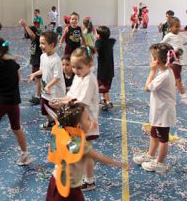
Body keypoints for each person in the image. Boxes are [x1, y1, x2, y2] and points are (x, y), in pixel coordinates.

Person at [45, 102, 123, 201]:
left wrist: (89, 127)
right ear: (79, 126)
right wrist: (120, 164)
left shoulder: (62, 130)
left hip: (56, 180)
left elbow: (75, 131)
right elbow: (99, 157)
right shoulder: (81, 145)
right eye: (88, 119)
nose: (90, 120)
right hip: (69, 188)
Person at [0, 36, 34, 166]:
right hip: (13, 101)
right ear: (6, 50)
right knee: (16, 128)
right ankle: (24, 154)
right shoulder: (13, 65)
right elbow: (18, 80)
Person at [51, 47, 99, 191]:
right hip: (77, 121)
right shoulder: (79, 77)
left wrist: (63, 102)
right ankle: (79, 176)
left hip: (87, 123)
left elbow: (81, 102)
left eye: (79, 67)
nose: (75, 70)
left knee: (86, 152)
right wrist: (59, 99)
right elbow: (71, 95)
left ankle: (89, 180)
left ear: (89, 65)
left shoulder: (89, 79)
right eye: (73, 67)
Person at [133, 43, 177, 173]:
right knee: (154, 133)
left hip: (163, 112)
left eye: (151, 58)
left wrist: (152, 71)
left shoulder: (164, 75)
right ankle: (151, 155)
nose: (150, 60)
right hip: (159, 110)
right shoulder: (166, 71)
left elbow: (147, 87)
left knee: (163, 139)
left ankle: (160, 163)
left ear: (157, 61)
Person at [28, 30, 66, 130]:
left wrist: (48, 86)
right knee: (44, 109)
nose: (40, 45)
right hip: (46, 90)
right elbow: (42, 69)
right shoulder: (42, 56)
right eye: (40, 43)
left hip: (56, 92)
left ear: (52, 45)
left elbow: (57, 77)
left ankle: (63, 126)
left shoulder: (56, 60)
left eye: (43, 43)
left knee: (57, 110)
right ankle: (51, 122)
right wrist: (34, 74)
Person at [161, 17, 187, 105]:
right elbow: (161, 44)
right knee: (178, 80)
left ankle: (166, 97)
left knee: (174, 81)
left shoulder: (180, 35)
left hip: (180, 62)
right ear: (170, 27)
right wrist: (170, 51)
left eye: (179, 26)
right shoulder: (168, 36)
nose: (178, 28)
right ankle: (184, 97)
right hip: (173, 61)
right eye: (176, 26)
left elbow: (185, 41)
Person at [20, 19, 42, 105]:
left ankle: (37, 96)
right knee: (37, 80)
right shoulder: (33, 40)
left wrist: (25, 25)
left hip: (38, 62)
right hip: (35, 61)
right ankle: (39, 94)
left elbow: (32, 35)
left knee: (38, 79)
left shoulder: (37, 39)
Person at [95, 26, 116, 111]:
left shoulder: (99, 42)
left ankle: (108, 102)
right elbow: (112, 40)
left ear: (99, 35)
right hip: (110, 71)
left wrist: (88, 50)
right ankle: (104, 100)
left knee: (104, 89)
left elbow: (95, 50)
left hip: (103, 72)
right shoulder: (111, 42)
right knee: (104, 87)